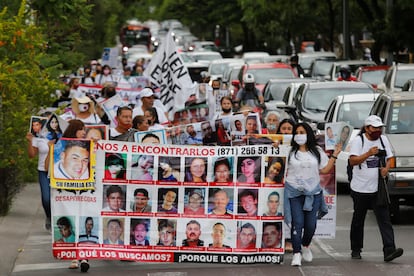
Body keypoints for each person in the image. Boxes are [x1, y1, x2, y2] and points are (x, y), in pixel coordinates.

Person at [349, 115, 403, 262]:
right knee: (358, 220)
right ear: (367, 128)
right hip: (360, 188)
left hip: (378, 188)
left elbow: (390, 157)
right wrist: (368, 154)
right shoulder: (358, 141)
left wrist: (386, 168)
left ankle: (389, 249)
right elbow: (352, 161)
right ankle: (356, 249)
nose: (377, 130)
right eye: (374, 128)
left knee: (385, 219)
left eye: (379, 128)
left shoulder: (383, 140)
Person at [286, 122, 341, 266]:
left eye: (302, 132)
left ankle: (305, 245)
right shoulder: (290, 151)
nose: (299, 135)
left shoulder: (316, 151)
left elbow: (324, 170)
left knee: (310, 225)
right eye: (296, 132)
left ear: (308, 134)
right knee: (297, 223)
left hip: (313, 193)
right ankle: (296, 253)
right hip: (294, 193)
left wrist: (335, 155)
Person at [26, 125, 51, 231]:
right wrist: (30, 141)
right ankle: (49, 216)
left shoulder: (59, 135)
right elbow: (32, 155)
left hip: (57, 171)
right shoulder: (39, 138)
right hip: (43, 171)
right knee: (46, 198)